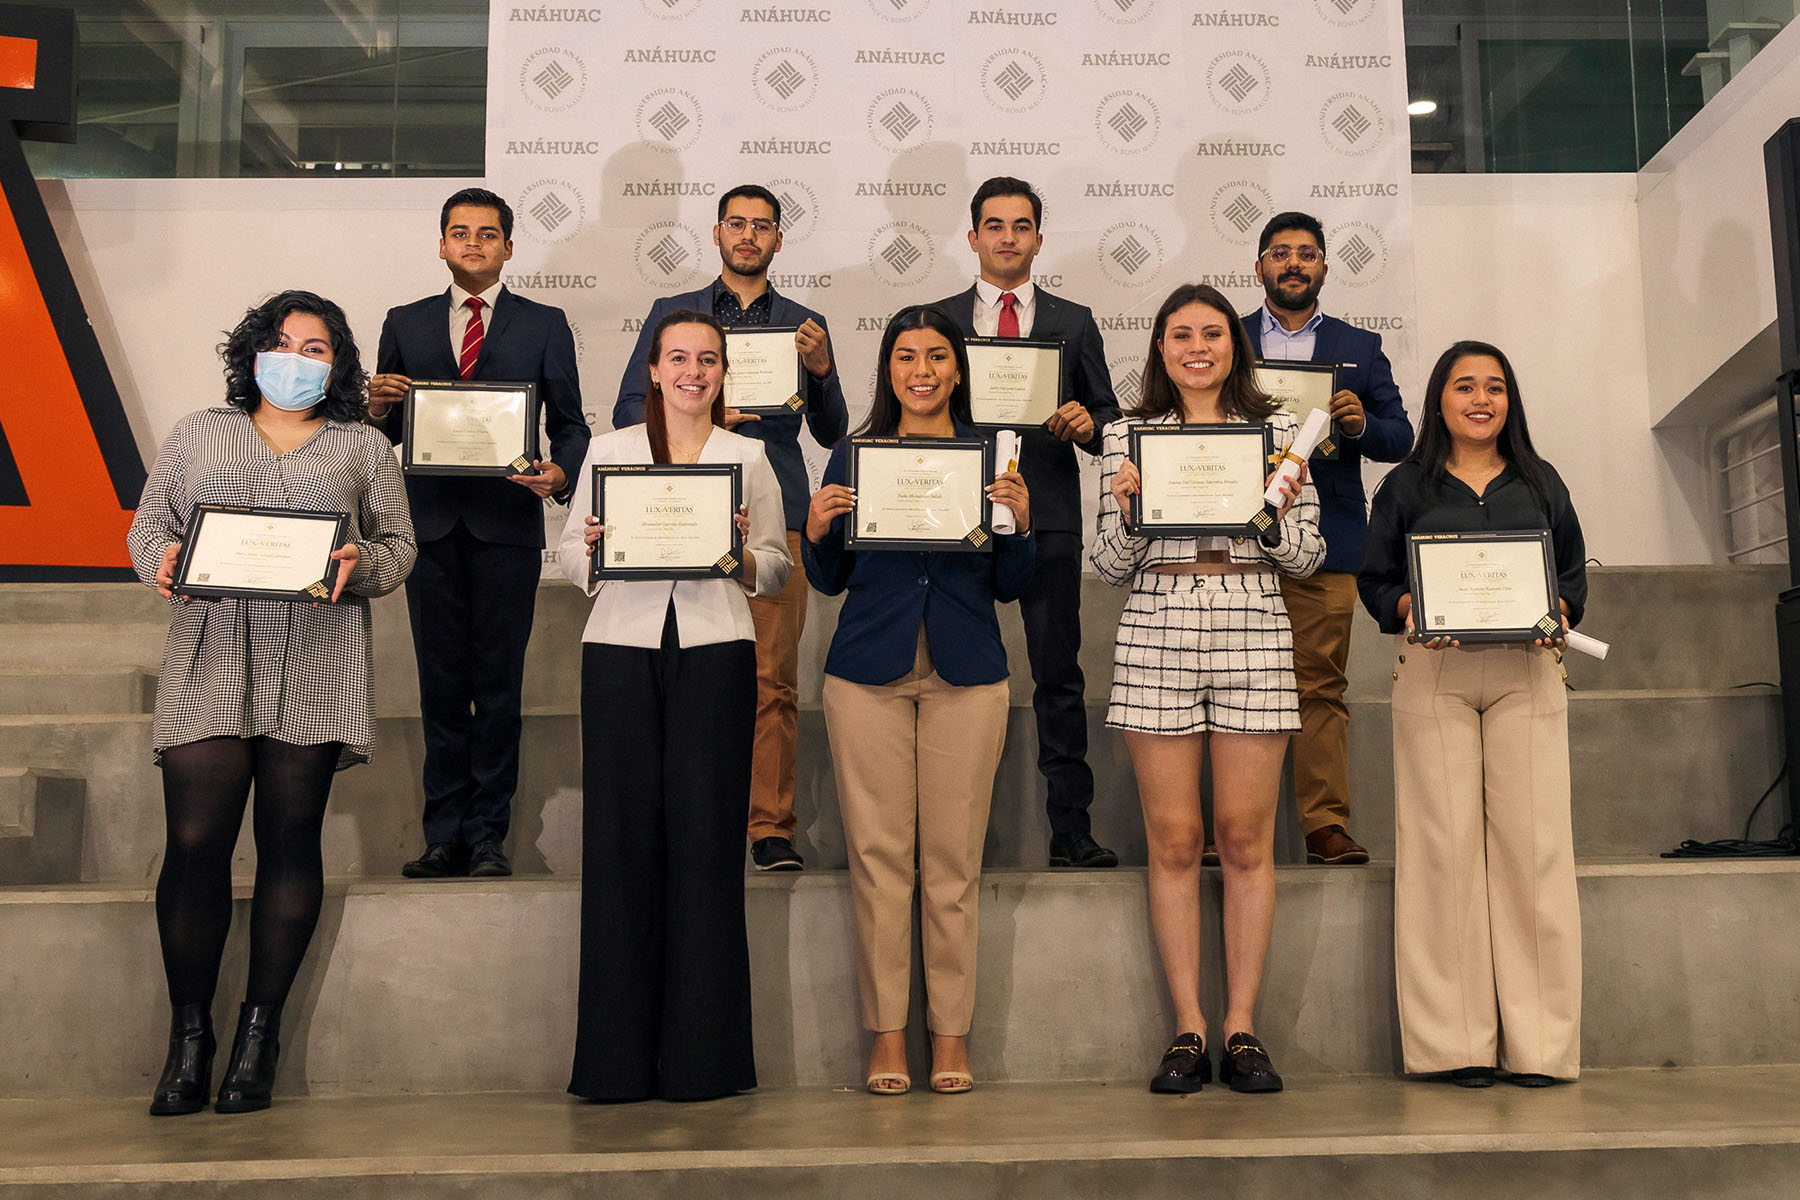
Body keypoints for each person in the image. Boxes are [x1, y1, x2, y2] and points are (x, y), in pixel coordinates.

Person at [126, 290, 416, 1115]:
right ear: (254, 354)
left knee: (289, 842)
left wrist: (366, 564)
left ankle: (260, 1033)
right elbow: (148, 528)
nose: (298, 358)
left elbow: (400, 546)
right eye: (284, 343)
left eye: (317, 347)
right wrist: (165, 557)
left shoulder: (363, 446)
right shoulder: (197, 432)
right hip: (210, 652)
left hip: (318, 658)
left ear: (339, 363)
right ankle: (190, 1038)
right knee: (194, 840)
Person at [1093, 283, 1322, 1095]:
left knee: (1246, 837)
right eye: (1181, 334)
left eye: (1213, 333)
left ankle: (1243, 1028)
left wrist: (1283, 512)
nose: (1198, 346)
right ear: (1159, 347)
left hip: (1255, 618)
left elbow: (1304, 560)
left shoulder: (1282, 431)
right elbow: (1111, 567)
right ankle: (1189, 1027)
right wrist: (1123, 511)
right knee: (1178, 840)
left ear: (1236, 346)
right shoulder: (1125, 434)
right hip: (1156, 622)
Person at [559, 310, 790, 1102]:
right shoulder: (609, 451)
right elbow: (565, 550)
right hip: (618, 651)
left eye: (709, 360)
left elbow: (779, 566)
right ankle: (615, 1066)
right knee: (620, 847)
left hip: (716, 651)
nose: (694, 371)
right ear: (653, 369)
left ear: (724, 372)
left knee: (704, 845)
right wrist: (588, 545)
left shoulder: (747, 456)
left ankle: (705, 1061)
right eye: (678, 358)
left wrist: (741, 553)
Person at [804, 306, 1034, 1095]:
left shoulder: (989, 458)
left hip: (967, 675)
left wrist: (1022, 527)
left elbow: (1010, 586)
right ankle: (886, 1036)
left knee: (951, 866)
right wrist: (816, 529)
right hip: (866, 675)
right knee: (878, 865)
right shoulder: (853, 453)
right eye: (906, 357)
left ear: (959, 369)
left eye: (938, 356)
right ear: (889, 369)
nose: (923, 370)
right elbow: (828, 581)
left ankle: (951, 1036)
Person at [1358, 340, 1586, 1088]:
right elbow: (1377, 577)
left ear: (1509, 400)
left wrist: (1560, 604)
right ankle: (1454, 1044)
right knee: (1441, 855)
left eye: (1494, 387)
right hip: (1436, 671)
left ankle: (1541, 1047)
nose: (1480, 399)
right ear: (1440, 401)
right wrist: (1404, 604)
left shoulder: (1540, 482)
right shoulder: (1406, 485)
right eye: (1464, 386)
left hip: (1527, 671)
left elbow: (1573, 574)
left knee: (1534, 854)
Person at [615, 184, 848, 873]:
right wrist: (708, 418)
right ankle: (690, 819)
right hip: (680, 514)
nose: (749, 236)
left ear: (780, 239)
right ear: (717, 234)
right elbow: (634, 406)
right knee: (681, 677)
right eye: (737, 225)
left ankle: (769, 826)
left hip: (775, 520)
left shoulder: (806, 323)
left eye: (763, 227)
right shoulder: (674, 317)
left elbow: (833, 431)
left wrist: (824, 370)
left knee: (772, 683)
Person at [369, 187, 590, 880]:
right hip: (429, 529)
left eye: (488, 234)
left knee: (497, 686)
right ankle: (443, 835)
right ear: (441, 244)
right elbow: (387, 433)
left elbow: (573, 424)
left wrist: (561, 476)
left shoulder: (544, 322)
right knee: (440, 686)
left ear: (508, 248)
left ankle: (489, 835)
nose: (473, 243)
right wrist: (373, 409)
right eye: (460, 232)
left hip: (507, 531)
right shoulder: (404, 321)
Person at [934, 176, 1121, 870]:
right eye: (994, 225)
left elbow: (1108, 421)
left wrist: (1088, 423)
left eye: (1021, 226)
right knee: (955, 679)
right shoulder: (939, 319)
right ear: (974, 236)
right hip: (956, 518)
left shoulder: (1074, 321)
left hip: (1048, 519)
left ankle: (1070, 828)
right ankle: (955, 836)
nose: (1007, 237)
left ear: (1040, 238)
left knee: (1058, 677)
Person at [1242, 211, 1413, 866]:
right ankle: (1233, 826)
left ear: (1323, 267)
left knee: (1319, 686)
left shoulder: (1358, 348)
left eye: (1306, 254)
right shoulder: (1224, 339)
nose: (1293, 263)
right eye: (1279, 253)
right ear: (1258, 267)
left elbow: (1401, 439)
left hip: (1331, 540)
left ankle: (1324, 824)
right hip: (1238, 542)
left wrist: (1363, 421)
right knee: (1227, 683)